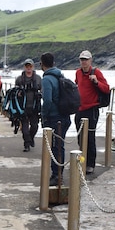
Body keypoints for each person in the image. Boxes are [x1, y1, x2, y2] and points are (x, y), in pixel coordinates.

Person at [75, 50, 110, 175]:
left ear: (90, 60)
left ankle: (91, 164)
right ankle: (82, 161)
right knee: (80, 138)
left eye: (86, 59)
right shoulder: (78, 72)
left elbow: (106, 88)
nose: (83, 62)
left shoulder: (96, 72)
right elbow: (77, 85)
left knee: (90, 138)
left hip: (92, 110)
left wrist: (96, 81)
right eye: (82, 59)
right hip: (79, 109)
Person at [40, 53, 72, 185]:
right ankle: (58, 173)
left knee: (55, 147)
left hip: (54, 117)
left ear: (42, 64)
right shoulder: (60, 75)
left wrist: (43, 115)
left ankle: (56, 175)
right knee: (60, 146)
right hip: (65, 115)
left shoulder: (47, 79)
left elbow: (47, 100)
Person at [15, 58, 42, 152]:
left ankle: (31, 138)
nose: (28, 68)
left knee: (34, 126)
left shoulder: (38, 78)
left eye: (30, 66)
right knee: (25, 129)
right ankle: (26, 144)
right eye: (27, 66)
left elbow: (42, 90)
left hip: (34, 107)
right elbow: (15, 91)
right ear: (24, 67)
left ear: (33, 67)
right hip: (23, 107)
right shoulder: (19, 79)